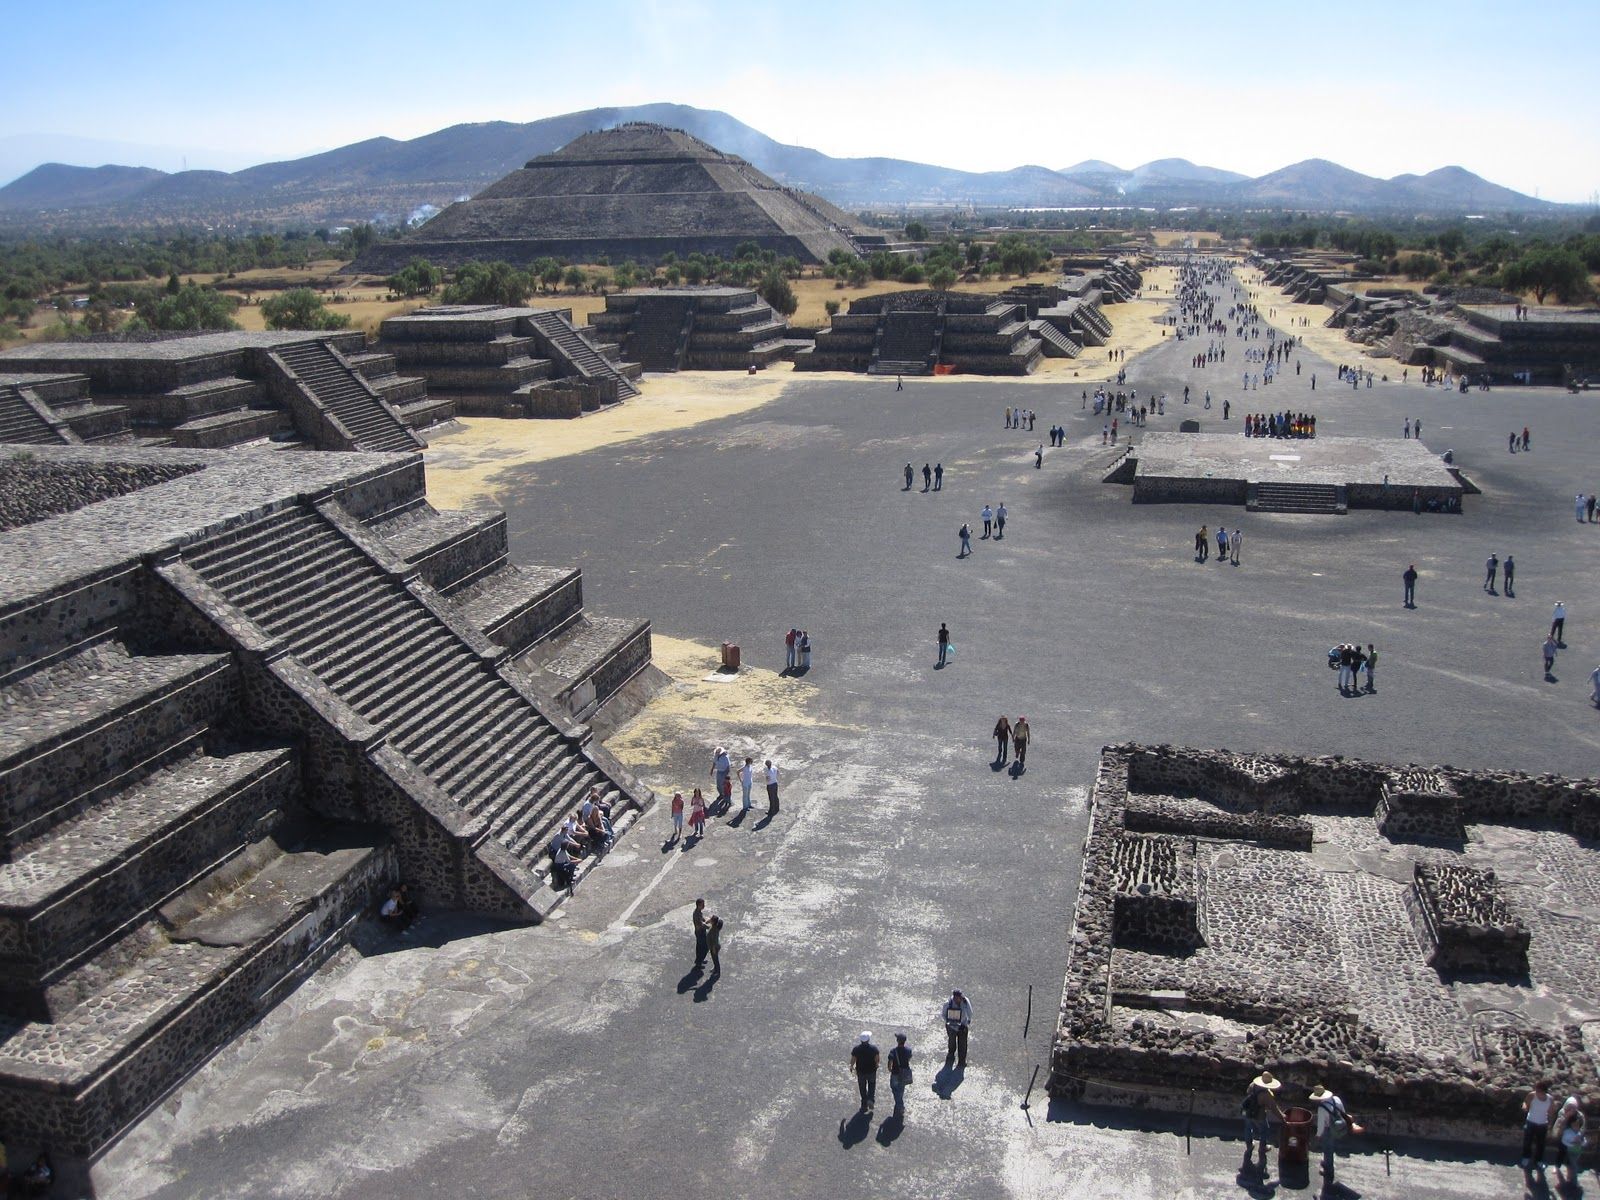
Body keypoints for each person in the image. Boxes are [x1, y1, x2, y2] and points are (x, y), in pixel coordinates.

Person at [1310, 1083, 1362, 1188]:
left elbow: (1321, 1127)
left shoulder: (1322, 1108)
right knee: (1331, 1147)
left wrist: (1316, 1138)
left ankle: (1328, 1171)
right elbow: (1343, 1112)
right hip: (1338, 1125)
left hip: (1328, 1129)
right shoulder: (1336, 1099)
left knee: (1327, 1149)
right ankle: (1326, 1163)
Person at [1241, 1069, 1284, 1170]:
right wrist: (1282, 1117)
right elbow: (1274, 1108)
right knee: (1264, 1130)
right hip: (1259, 1115)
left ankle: (1249, 1145)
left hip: (1248, 1111)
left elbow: (1247, 1092)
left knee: (1248, 1128)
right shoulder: (1266, 1095)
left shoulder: (1252, 1085)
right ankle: (1262, 1148)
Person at [1523, 1079, 1556, 1168]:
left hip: (1542, 1123)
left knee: (1541, 1144)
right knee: (1527, 1142)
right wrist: (1525, 1107)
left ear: (1543, 1091)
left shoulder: (1550, 1099)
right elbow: (1525, 1103)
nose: (1536, 1091)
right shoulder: (1532, 1095)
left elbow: (1551, 1113)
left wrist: (1550, 1125)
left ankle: (1539, 1160)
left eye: (1538, 1090)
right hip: (1530, 1121)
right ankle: (1526, 1157)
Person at [1555, 1096, 1587, 1185]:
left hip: (1574, 1138)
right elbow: (1560, 1124)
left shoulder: (1579, 1115)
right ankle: (1557, 1166)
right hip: (1563, 1135)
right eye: (1570, 1106)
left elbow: (1583, 1126)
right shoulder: (1562, 1112)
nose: (1571, 1109)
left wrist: (1579, 1135)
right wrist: (1566, 1117)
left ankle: (1570, 1174)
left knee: (1571, 1157)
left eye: (1573, 1107)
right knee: (1561, 1152)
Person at [942, 989, 972, 1067]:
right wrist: (949, 1022)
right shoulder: (948, 1003)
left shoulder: (965, 1001)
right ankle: (951, 1055)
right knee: (952, 1042)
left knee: (963, 1044)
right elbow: (943, 1014)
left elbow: (970, 1012)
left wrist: (967, 1022)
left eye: (960, 996)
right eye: (958, 997)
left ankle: (962, 1061)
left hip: (962, 1026)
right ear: (954, 997)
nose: (960, 998)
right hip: (951, 1027)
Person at [851, 1032, 880, 1111]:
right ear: (868, 1040)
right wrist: (877, 1064)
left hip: (861, 1071)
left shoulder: (856, 1049)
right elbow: (877, 1058)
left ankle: (864, 1103)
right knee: (872, 1085)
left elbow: (853, 1059)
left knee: (862, 1087)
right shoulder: (874, 1049)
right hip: (871, 1071)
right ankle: (870, 1099)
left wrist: (851, 1066)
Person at [887, 1033, 913, 1118]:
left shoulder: (893, 1051)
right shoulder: (908, 1050)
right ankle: (899, 1102)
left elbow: (890, 1061)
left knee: (894, 1088)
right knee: (901, 1089)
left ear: (897, 1041)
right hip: (904, 1073)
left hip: (895, 1073)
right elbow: (909, 1059)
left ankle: (900, 1105)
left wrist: (890, 1068)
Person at [692, 898, 708, 966]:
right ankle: (699, 962)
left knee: (699, 947)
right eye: (702, 904)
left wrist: (706, 920)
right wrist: (710, 927)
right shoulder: (696, 914)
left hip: (700, 932)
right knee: (705, 947)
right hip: (700, 932)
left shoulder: (698, 912)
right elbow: (701, 925)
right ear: (699, 905)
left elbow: (702, 919)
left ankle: (699, 960)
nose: (704, 906)